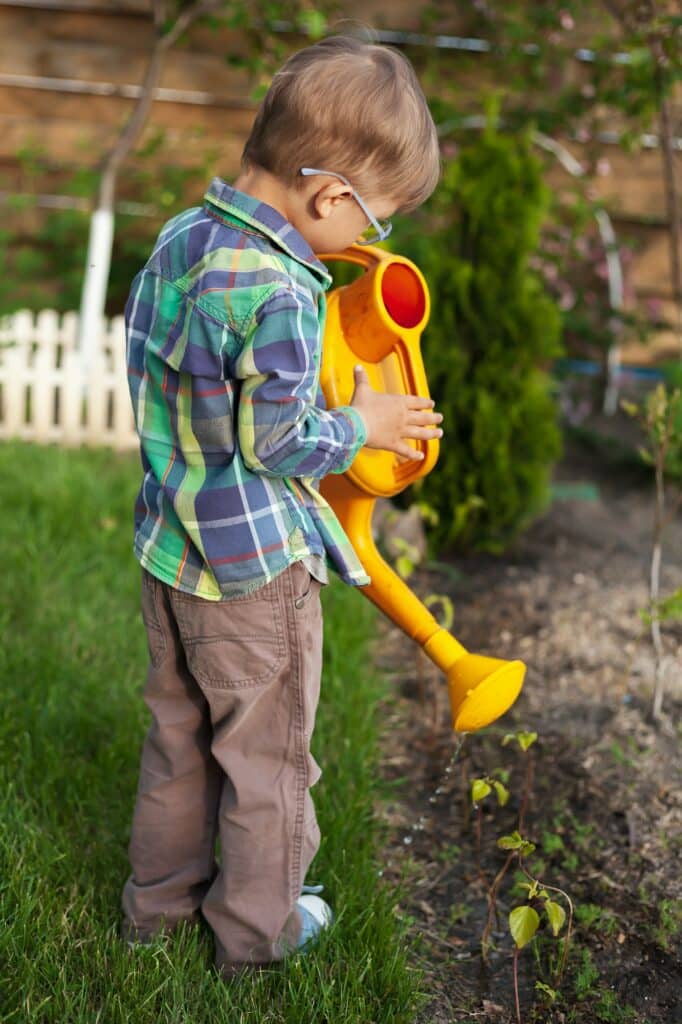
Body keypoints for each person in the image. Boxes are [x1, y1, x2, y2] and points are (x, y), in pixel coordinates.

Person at [121, 33, 442, 977]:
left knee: (179, 744)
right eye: (374, 222)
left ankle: (156, 915)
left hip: (169, 550)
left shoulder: (183, 236)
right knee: (266, 767)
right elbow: (282, 439)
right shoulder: (285, 291)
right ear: (330, 195)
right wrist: (366, 422)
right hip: (255, 576)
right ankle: (257, 938)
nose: (366, 243)